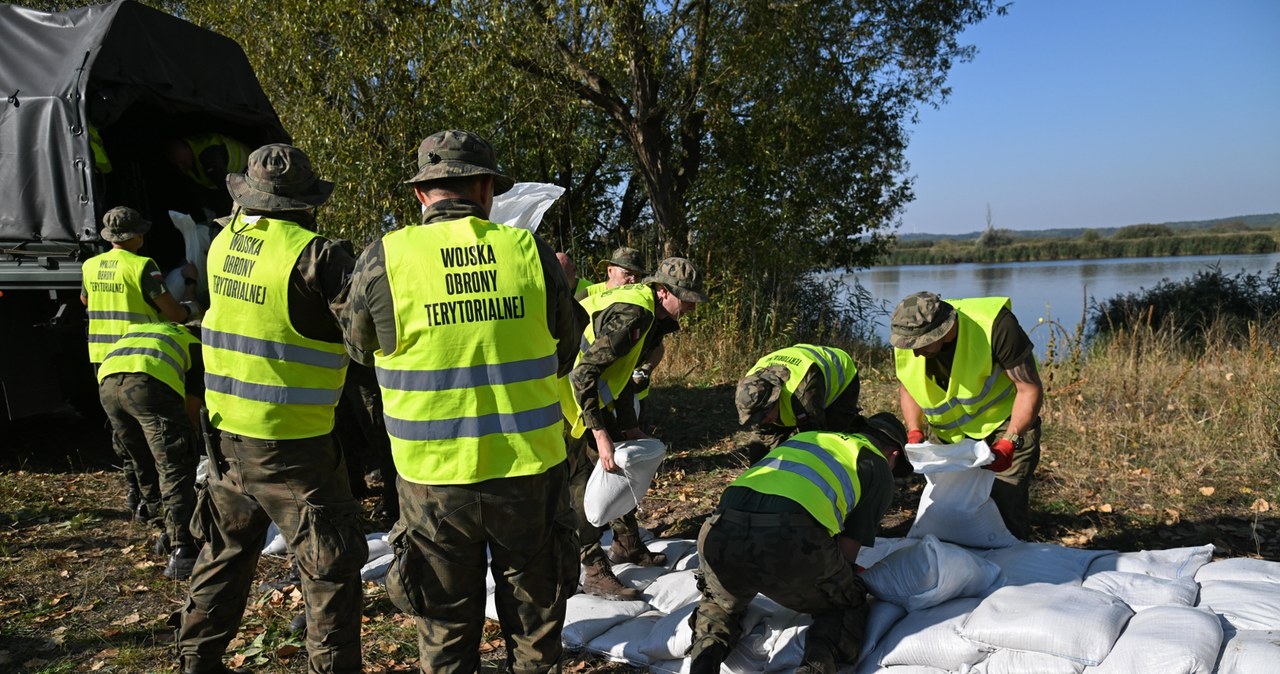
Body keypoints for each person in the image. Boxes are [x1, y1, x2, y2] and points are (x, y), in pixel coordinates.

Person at [342, 129, 580, 674]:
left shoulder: (385, 258)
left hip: (432, 480)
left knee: (446, 627)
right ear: (485, 189)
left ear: (422, 194)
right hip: (528, 472)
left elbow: (358, 349)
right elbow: (565, 353)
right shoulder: (530, 253)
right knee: (535, 624)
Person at [175, 144, 365, 674]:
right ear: (305, 202)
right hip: (295, 446)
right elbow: (367, 340)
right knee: (330, 568)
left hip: (225, 438)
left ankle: (196, 662)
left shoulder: (222, 244)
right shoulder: (318, 256)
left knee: (224, 555)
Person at [687, 414, 906, 674]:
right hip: (788, 535)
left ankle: (703, 664)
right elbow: (847, 554)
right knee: (846, 601)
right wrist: (842, 581)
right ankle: (815, 667)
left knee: (718, 604)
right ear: (893, 454)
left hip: (718, 529)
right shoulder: (876, 464)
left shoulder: (806, 439)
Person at [559, 257, 709, 599]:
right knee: (585, 482)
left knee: (621, 467)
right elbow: (583, 374)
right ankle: (593, 568)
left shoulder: (652, 317)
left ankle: (626, 544)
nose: (689, 306)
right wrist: (600, 434)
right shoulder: (633, 315)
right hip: (566, 400)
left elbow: (621, 375)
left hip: (590, 394)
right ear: (662, 291)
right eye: (685, 298)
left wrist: (629, 429)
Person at [889, 291, 1044, 539]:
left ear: (942, 329)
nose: (915, 353)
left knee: (1005, 508)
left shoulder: (996, 326)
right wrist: (914, 430)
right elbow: (908, 385)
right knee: (946, 510)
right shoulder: (909, 339)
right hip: (948, 434)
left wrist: (1009, 442)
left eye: (921, 345)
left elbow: (1029, 388)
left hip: (1003, 425)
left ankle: (1012, 569)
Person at [81, 206, 199, 519]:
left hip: (102, 359)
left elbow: (85, 300)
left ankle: (136, 496)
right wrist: (191, 300)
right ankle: (163, 507)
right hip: (141, 355)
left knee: (123, 432)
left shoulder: (91, 266)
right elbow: (172, 313)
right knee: (156, 434)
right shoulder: (143, 266)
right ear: (136, 236)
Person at [97, 321, 204, 579]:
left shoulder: (147, 330)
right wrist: (192, 441)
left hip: (107, 385)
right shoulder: (196, 345)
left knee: (140, 458)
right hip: (147, 386)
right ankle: (182, 551)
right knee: (173, 464)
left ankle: (161, 529)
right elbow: (191, 410)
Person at [735, 344, 863, 465]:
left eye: (764, 415)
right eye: (756, 418)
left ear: (775, 399)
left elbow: (813, 439)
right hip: (798, 358)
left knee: (834, 435)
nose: (762, 421)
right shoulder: (749, 389)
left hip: (838, 369)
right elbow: (763, 437)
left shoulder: (802, 395)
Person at [166, 132, 252, 216]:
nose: (181, 167)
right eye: (177, 164)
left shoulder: (209, 156)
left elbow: (226, 190)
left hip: (250, 170)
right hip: (229, 179)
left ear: (187, 149)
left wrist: (220, 221)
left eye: (183, 162)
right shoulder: (185, 159)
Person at [574, 246, 648, 300]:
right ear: (610, 271)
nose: (633, 280)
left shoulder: (643, 296)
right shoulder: (587, 295)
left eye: (638, 276)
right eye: (627, 274)